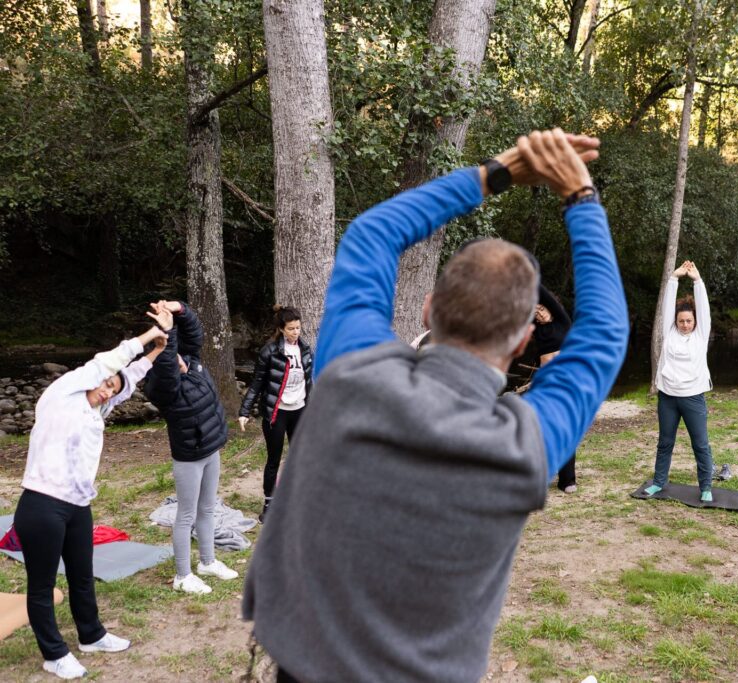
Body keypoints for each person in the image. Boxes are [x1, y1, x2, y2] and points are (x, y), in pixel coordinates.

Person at [242, 129, 628, 683]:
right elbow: (606, 332)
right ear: (524, 342)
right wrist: (581, 198)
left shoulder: (350, 373)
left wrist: (496, 174)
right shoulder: (524, 447)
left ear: (427, 310)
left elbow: (373, 233)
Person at [15, 324, 166, 680]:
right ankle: (54, 654)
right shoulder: (61, 393)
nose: (105, 390)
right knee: (42, 584)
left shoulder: (98, 410)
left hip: (77, 506)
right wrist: (150, 334)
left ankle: (91, 635)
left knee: (82, 576)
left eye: (111, 387)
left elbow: (127, 378)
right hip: (42, 505)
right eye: (103, 383)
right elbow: (110, 363)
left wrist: (157, 351)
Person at [144, 300, 238, 595]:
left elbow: (194, 335)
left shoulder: (193, 364)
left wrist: (180, 310)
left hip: (212, 450)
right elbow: (167, 360)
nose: (181, 361)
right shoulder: (166, 391)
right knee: (186, 515)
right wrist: (165, 333)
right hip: (189, 459)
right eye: (174, 361)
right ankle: (183, 575)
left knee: (207, 508)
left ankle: (207, 562)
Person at [637, 260, 719, 502]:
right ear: (675, 321)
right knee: (665, 442)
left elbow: (703, 309)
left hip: (693, 396)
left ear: (695, 322)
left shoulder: (701, 334)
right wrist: (674, 278)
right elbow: (665, 308)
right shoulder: (669, 332)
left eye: (689, 321)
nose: (685, 324)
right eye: (681, 321)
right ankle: (659, 482)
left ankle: (706, 487)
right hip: (668, 397)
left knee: (701, 445)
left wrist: (697, 281)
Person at [238, 305, 314, 522]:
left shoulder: (306, 350)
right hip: (277, 413)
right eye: (291, 329)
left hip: (299, 411)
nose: (295, 332)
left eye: (298, 328)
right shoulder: (269, 352)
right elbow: (256, 384)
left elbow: (310, 382)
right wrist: (245, 411)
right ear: (281, 329)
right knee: (274, 459)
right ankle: (269, 504)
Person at [534, 284, 578, 492]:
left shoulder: (563, 322)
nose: (539, 314)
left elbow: (548, 299)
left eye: (542, 309)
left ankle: (567, 480)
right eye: (536, 312)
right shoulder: (536, 331)